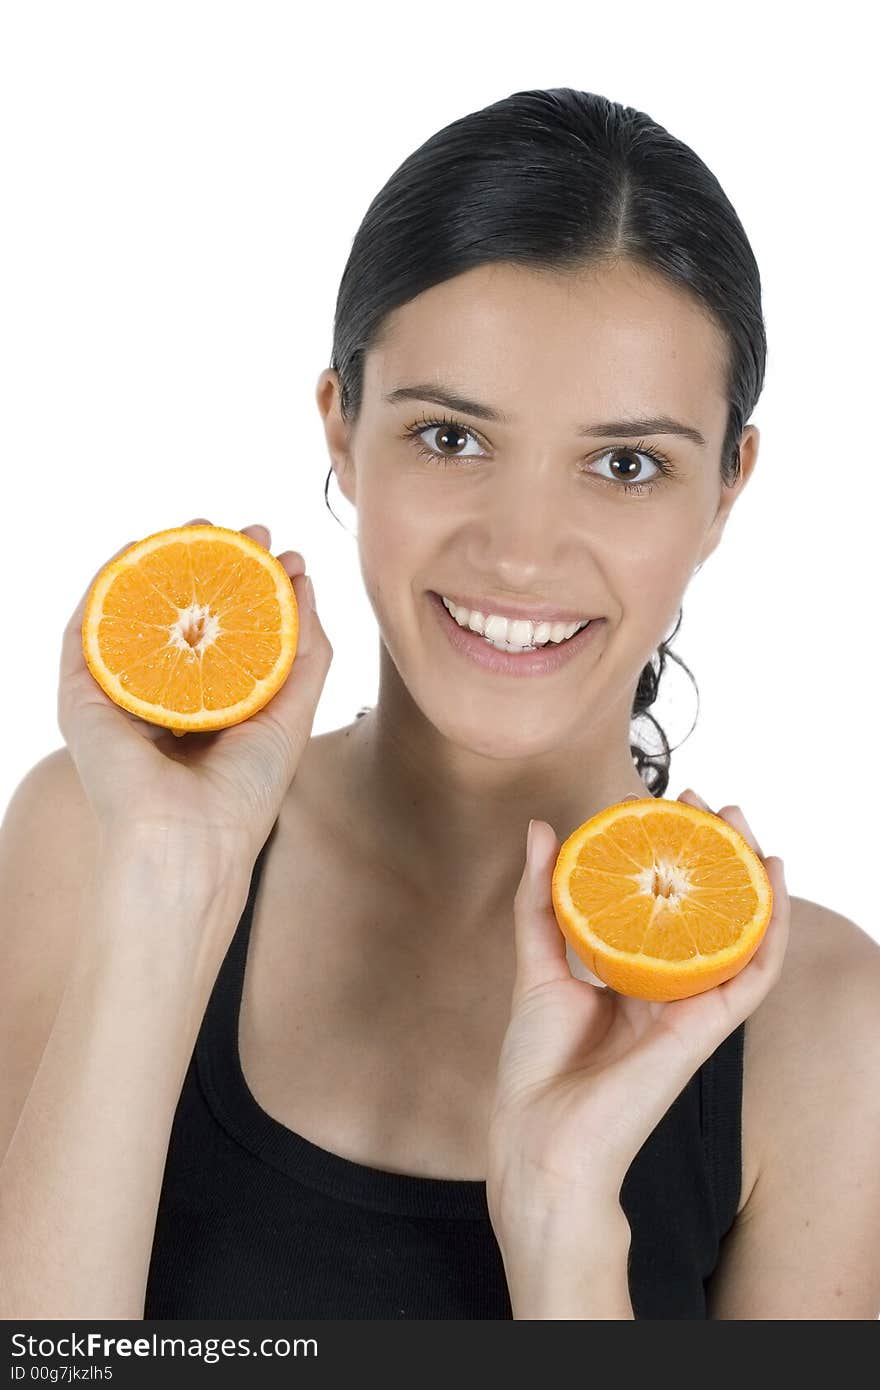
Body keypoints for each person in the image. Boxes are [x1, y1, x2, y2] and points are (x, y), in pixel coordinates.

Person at [1, 87, 879, 1322]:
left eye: (625, 464)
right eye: (453, 439)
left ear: (726, 489)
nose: (521, 554)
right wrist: (166, 881)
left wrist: (566, 1221)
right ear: (342, 426)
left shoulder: (827, 1027)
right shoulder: (94, 837)